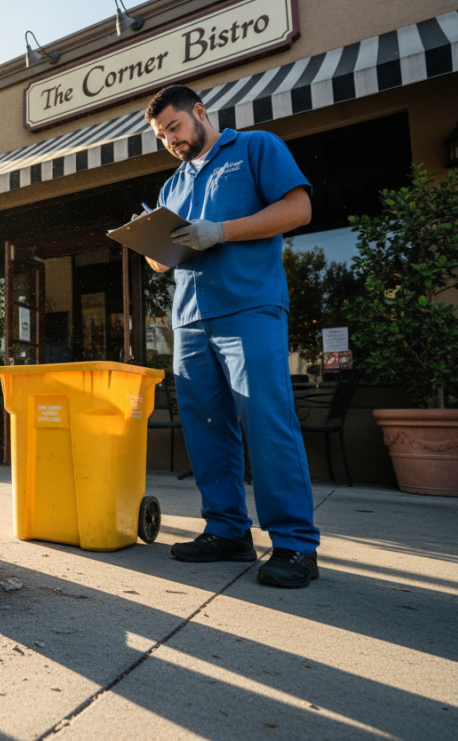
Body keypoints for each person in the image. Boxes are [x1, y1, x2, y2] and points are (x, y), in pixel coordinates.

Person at [142, 84, 320, 588]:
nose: (171, 141)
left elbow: (298, 210)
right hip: (190, 319)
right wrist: (149, 242)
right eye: (161, 136)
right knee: (205, 429)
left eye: (174, 127)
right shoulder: (172, 186)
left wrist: (220, 230)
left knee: (267, 423)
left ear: (200, 113)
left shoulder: (255, 148)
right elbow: (162, 262)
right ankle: (227, 531)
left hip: (249, 307)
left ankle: (294, 545)